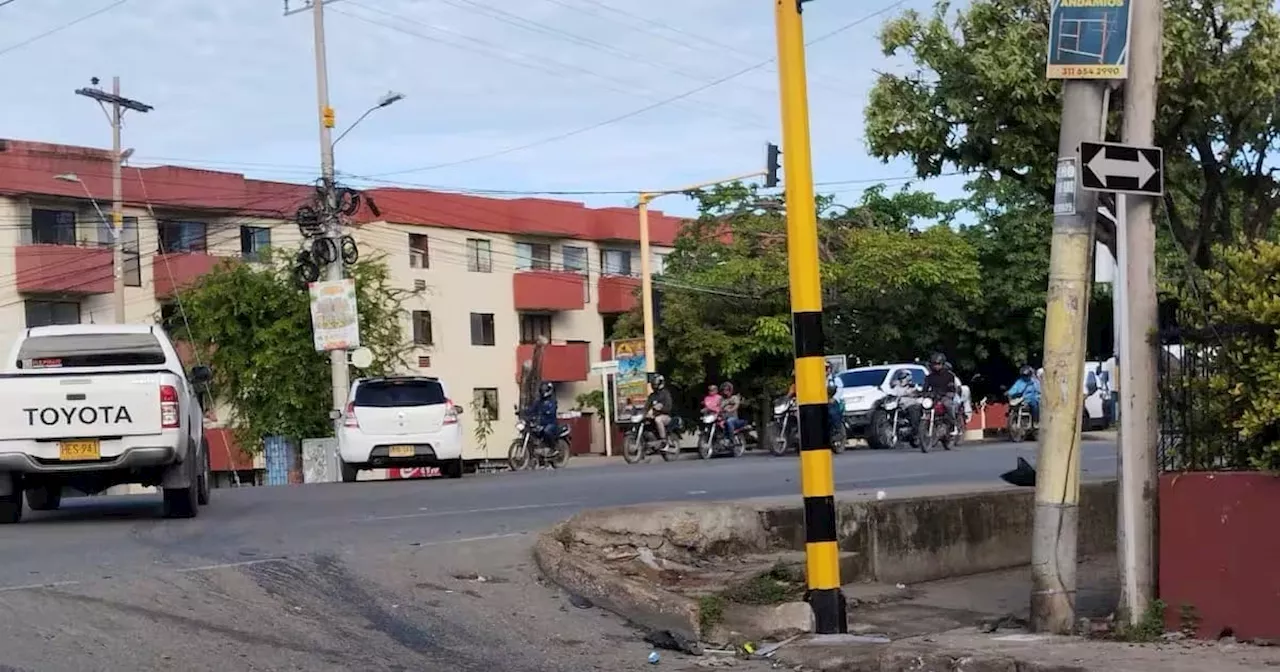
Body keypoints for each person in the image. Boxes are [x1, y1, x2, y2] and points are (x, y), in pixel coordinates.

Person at [922, 352, 961, 427]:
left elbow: (951, 388)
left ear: (943, 364)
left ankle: (953, 425)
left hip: (945, 396)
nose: (936, 366)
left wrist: (947, 392)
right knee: (923, 405)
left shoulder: (949, 375)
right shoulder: (929, 377)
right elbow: (925, 388)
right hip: (934, 398)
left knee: (948, 404)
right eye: (934, 364)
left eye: (938, 364)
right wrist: (923, 393)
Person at [645, 374, 674, 441]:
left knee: (658, 419)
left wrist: (659, 409)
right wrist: (642, 412)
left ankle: (663, 439)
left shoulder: (665, 394)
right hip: (653, 416)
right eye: (653, 384)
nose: (654, 386)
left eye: (656, 384)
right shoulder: (652, 396)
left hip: (666, 417)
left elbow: (669, 407)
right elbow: (646, 406)